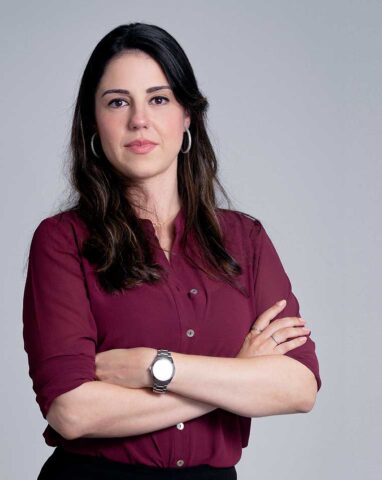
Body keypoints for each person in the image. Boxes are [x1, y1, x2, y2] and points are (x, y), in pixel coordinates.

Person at [22, 22, 322, 480]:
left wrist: (155, 367)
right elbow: (72, 412)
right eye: (118, 102)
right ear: (93, 122)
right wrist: (236, 376)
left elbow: (298, 386)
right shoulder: (62, 241)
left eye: (159, 99)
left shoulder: (246, 239)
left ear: (187, 117)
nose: (139, 120)